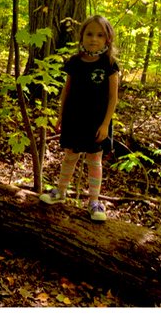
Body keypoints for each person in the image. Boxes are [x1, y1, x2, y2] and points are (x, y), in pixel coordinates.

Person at [41, 15, 120, 222]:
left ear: (108, 39)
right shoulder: (75, 62)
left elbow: (113, 98)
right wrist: (60, 116)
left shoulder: (109, 64)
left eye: (100, 35)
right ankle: (60, 192)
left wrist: (105, 124)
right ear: (82, 36)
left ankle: (94, 202)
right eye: (89, 34)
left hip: (96, 122)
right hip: (74, 118)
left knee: (94, 160)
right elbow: (66, 90)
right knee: (70, 156)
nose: (94, 39)